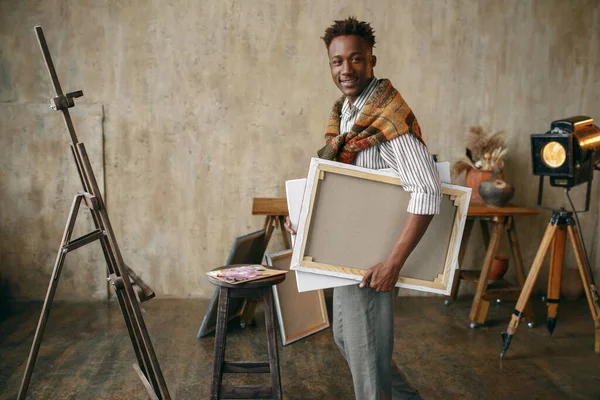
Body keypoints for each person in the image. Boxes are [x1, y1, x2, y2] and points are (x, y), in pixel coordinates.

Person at [285, 17, 441, 400]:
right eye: (337, 62)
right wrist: (305, 219)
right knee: (350, 341)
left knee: (366, 357)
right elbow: (342, 187)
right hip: (347, 252)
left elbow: (426, 190)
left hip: (373, 260)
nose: (346, 69)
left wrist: (393, 264)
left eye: (356, 59)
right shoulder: (347, 113)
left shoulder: (387, 116)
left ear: (372, 60)